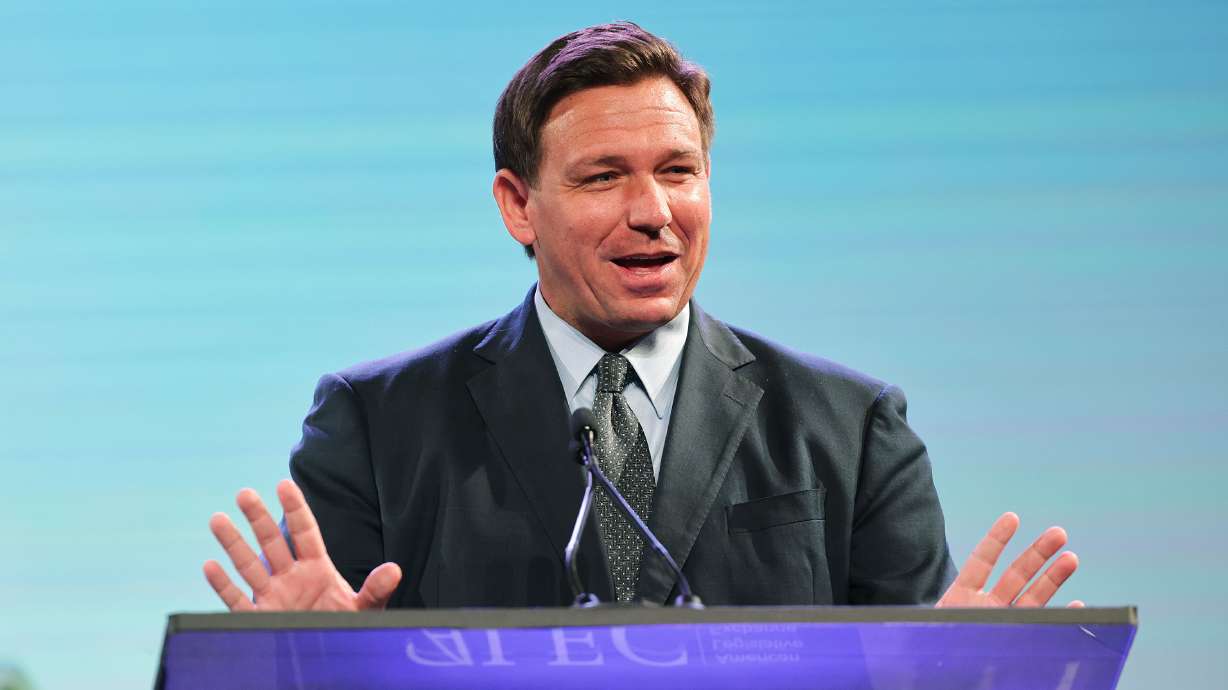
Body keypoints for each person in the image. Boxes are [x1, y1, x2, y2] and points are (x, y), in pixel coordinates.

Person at [203, 22, 1081, 612]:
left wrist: (952, 675)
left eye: (679, 170)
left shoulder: (851, 429)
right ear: (518, 206)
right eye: (602, 176)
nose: (654, 210)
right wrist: (296, 665)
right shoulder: (378, 422)